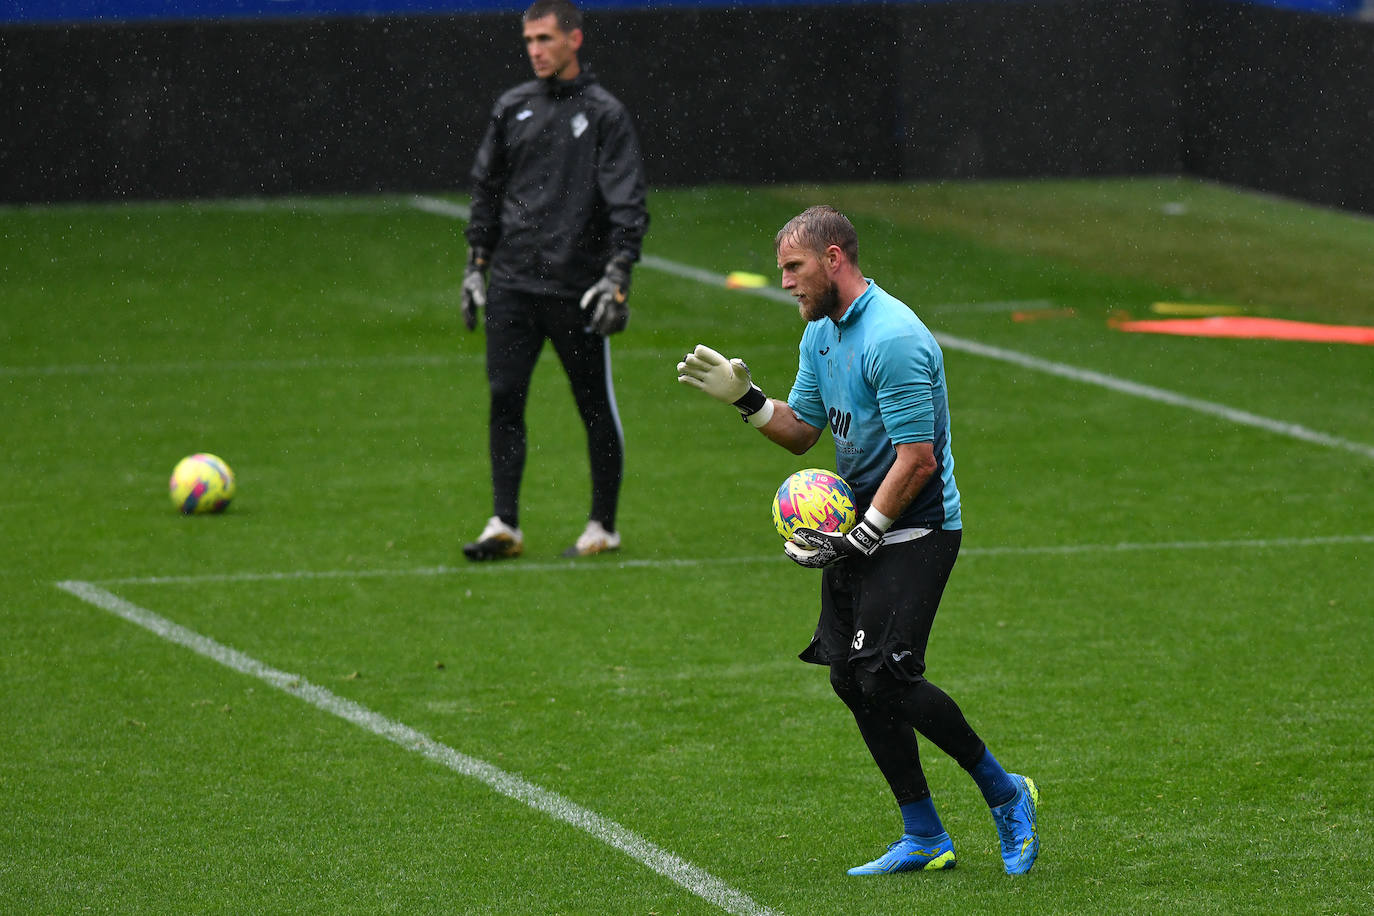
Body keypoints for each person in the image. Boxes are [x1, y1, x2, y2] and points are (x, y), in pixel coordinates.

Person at [676, 206, 1040, 876]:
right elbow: (802, 430)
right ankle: (925, 835)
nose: (785, 281)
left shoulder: (893, 338)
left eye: (794, 267)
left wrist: (864, 535)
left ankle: (1006, 791)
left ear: (835, 258)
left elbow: (919, 458)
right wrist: (746, 398)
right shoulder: (820, 333)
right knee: (850, 677)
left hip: (917, 528)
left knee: (888, 677)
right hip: (861, 530)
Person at [460, 0, 649, 561]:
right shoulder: (511, 107)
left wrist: (617, 275)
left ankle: (602, 526)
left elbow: (627, 203)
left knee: (593, 404)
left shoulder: (605, 115)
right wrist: (476, 267)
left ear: (574, 39)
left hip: (577, 288)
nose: (535, 50)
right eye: (528, 41)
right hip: (513, 287)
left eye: (544, 38)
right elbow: (486, 190)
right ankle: (504, 524)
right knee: (503, 399)